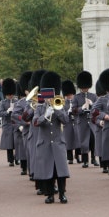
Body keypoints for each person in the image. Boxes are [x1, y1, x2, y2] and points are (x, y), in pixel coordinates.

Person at [32, 71, 69, 204]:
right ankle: (50, 195)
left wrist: (57, 110)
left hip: (58, 142)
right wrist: (46, 115)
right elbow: (35, 122)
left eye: (50, 96)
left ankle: (62, 194)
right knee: (48, 170)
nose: (49, 99)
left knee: (60, 169)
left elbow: (66, 120)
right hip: (45, 143)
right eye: (47, 96)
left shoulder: (60, 105)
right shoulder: (40, 108)